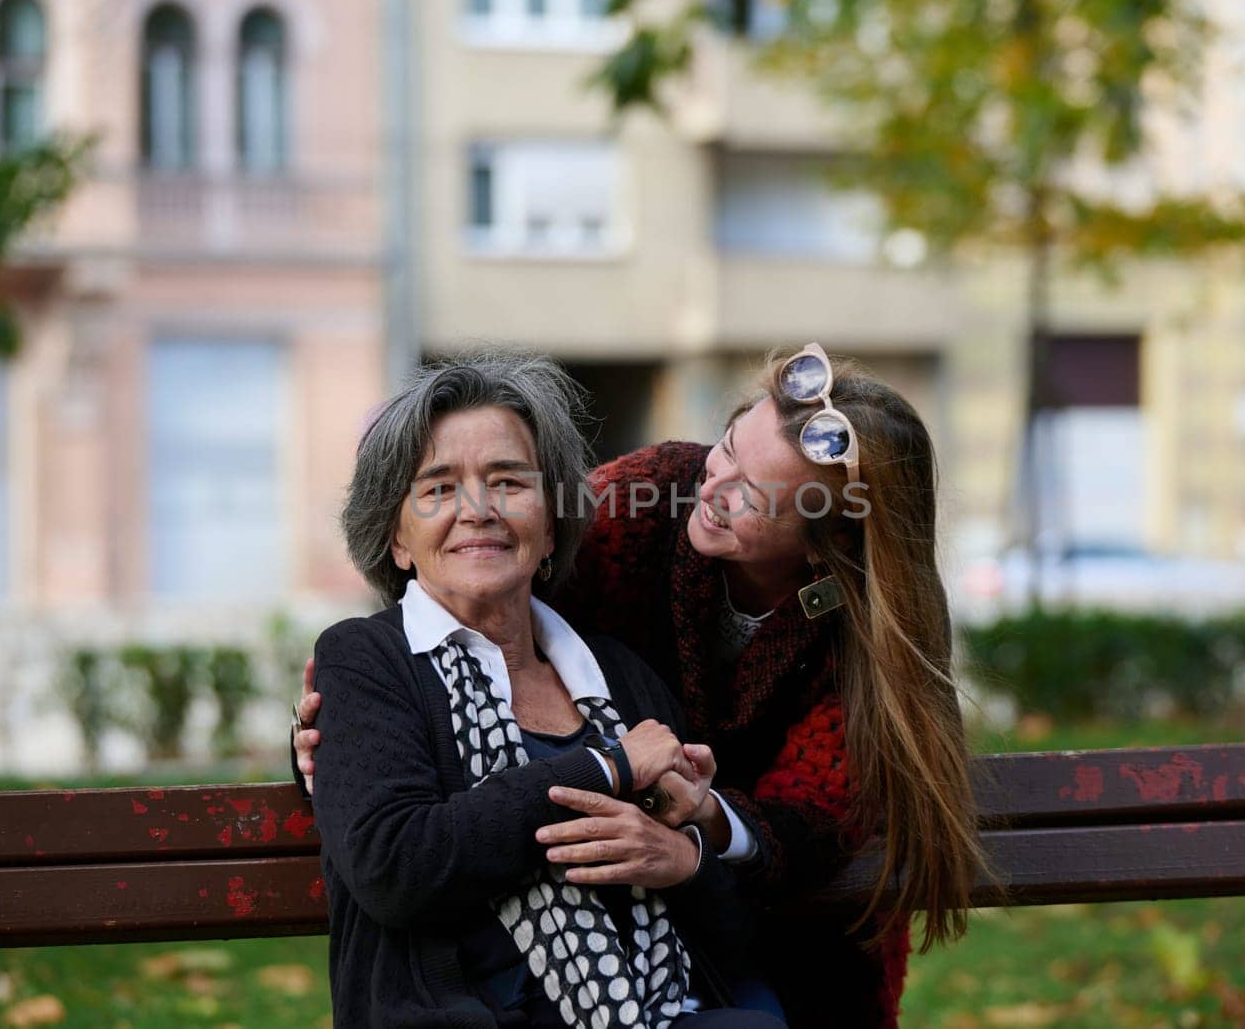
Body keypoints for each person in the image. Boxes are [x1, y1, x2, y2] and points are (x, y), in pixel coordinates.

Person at [299, 344, 991, 1027]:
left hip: (771, 918)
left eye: (751, 495)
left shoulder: (851, 647)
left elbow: (807, 830)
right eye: (726, 449)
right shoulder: (647, 500)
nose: (710, 488)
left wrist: (700, 831)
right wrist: (339, 752)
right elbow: (448, 622)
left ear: (821, 544)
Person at [310, 354, 786, 1027]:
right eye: (439, 489)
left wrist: (684, 859)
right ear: (396, 539)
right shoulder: (367, 661)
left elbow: (732, 931)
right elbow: (397, 865)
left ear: (553, 525)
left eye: (508, 481)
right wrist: (606, 767)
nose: (478, 510)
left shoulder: (619, 676)